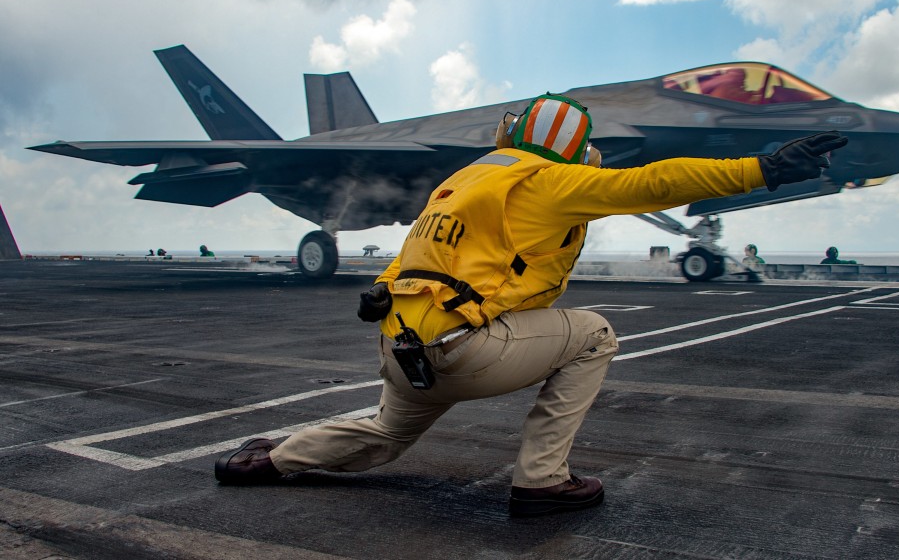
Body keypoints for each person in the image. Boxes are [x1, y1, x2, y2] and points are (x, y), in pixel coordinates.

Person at [214, 93, 847, 516]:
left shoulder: (464, 181)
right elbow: (650, 182)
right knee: (594, 333)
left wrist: (382, 288)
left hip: (402, 344)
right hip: (461, 348)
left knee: (384, 436)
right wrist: (759, 169)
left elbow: (411, 256)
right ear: (572, 149)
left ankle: (271, 459)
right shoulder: (548, 179)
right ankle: (542, 481)